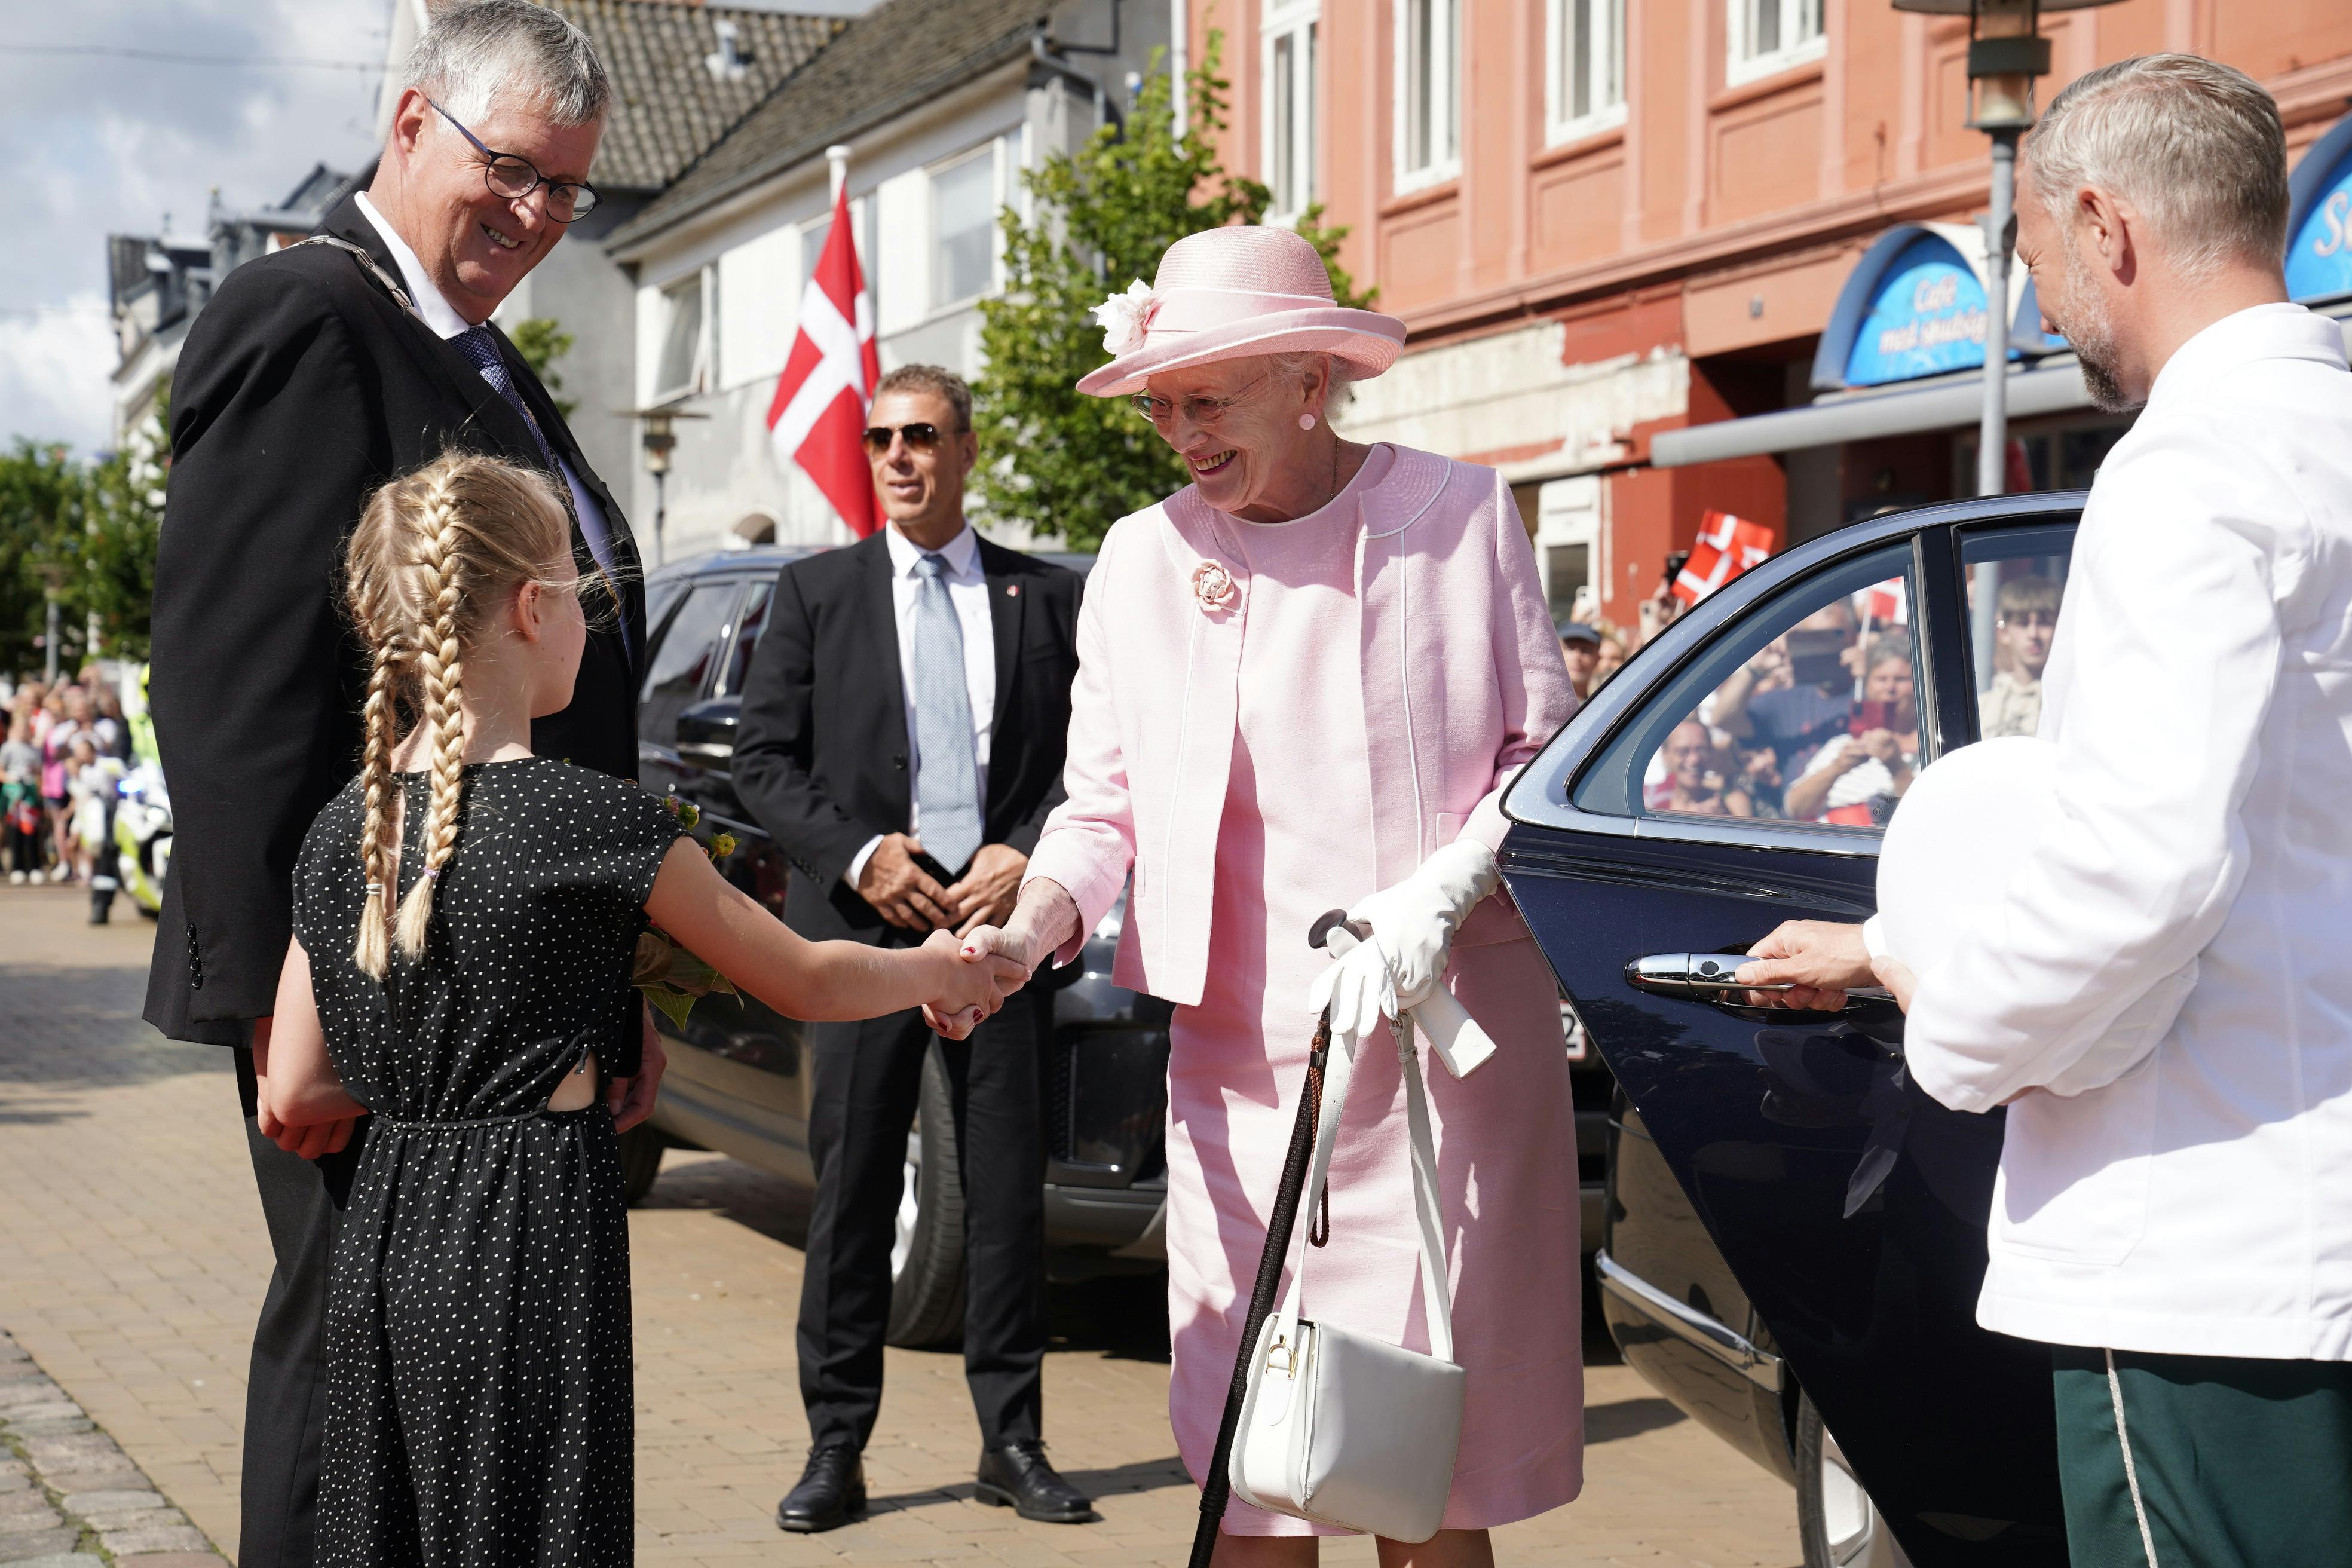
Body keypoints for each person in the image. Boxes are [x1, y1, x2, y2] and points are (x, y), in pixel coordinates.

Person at [1738, 56, 2352, 1568]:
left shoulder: (2188, 466)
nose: (2030, 301)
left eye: (2026, 250)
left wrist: (1950, 1017)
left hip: (2206, 1233)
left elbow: (2139, 867)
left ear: (2103, 225)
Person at [256, 452, 1019, 1567]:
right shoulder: (587, 819)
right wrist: (941, 967)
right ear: (531, 607)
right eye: (578, 585)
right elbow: (806, 974)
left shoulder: (345, 831)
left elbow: (295, 1084)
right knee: (534, 1522)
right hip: (527, 1231)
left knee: (407, 1522)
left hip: (390, 1230)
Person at [967, 225, 1584, 1566]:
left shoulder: (1461, 515)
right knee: (1258, 1475)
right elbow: (1100, 808)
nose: (1179, 433)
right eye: (1163, 404)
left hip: (1437, 1072)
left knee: (1420, 1477)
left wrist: (1439, 894)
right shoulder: (1138, 559)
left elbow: (1548, 762)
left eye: (1208, 398)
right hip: (1243, 1081)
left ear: (1311, 382)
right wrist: (1027, 931)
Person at [140, 7, 653, 1565]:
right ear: (414, 122)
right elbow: (238, 702)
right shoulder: (312, 317)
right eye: (510, 172)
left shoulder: (481, 357)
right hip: (375, 980)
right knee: (351, 1358)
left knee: (456, 1380)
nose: (536, 218)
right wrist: (286, 1014)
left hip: (500, 982)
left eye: (566, 192)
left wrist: (598, 972)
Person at [728, 364, 1091, 1532]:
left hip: (997, 942)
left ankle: (1012, 1441)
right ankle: (836, 1444)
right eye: (879, 436)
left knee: (1003, 1198)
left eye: (922, 435)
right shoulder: (818, 592)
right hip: (864, 943)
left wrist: (1027, 854)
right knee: (853, 1190)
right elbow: (764, 762)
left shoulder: (1043, 598)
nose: (898, 455)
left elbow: (1096, 762)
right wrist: (858, 858)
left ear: (968, 448)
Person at [1710, 599, 1860, 777]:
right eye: (1814, 639)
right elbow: (1723, 719)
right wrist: (1755, 669)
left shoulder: (1877, 686)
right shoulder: (1785, 700)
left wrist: (1869, 670)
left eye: (1835, 635)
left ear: (1855, 638)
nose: (1824, 647)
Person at [1781, 640, 1918, 825]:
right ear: (1867, 686)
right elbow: (1795, 808)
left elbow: (1922, 815)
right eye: (1881, 679)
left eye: (1900, 679)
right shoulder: (1843, 744)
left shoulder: (1932, 748)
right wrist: (1839, 767)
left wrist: (1897, 768)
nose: (1890, 688)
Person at [1980, 575, 2059, 739]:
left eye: (2044, 623)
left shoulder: (2072, 701)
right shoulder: (1983, 707)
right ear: (2004, 633)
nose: (2033, 634)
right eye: (2023, 624)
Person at [2, 715, 41, 883]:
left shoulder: (33, 749)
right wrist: (12, 779)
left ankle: (34, 867)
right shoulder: (8, 748)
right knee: (14, 831)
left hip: (29, 793)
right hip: (13, 793)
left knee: (31, 831)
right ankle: (17, 867)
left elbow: (39, 772)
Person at [1557, 618, 1602, 701]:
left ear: (1598, 659)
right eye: (1570, 648)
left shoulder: (1601, 706)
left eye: (1586, 650)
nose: (1577, 657)